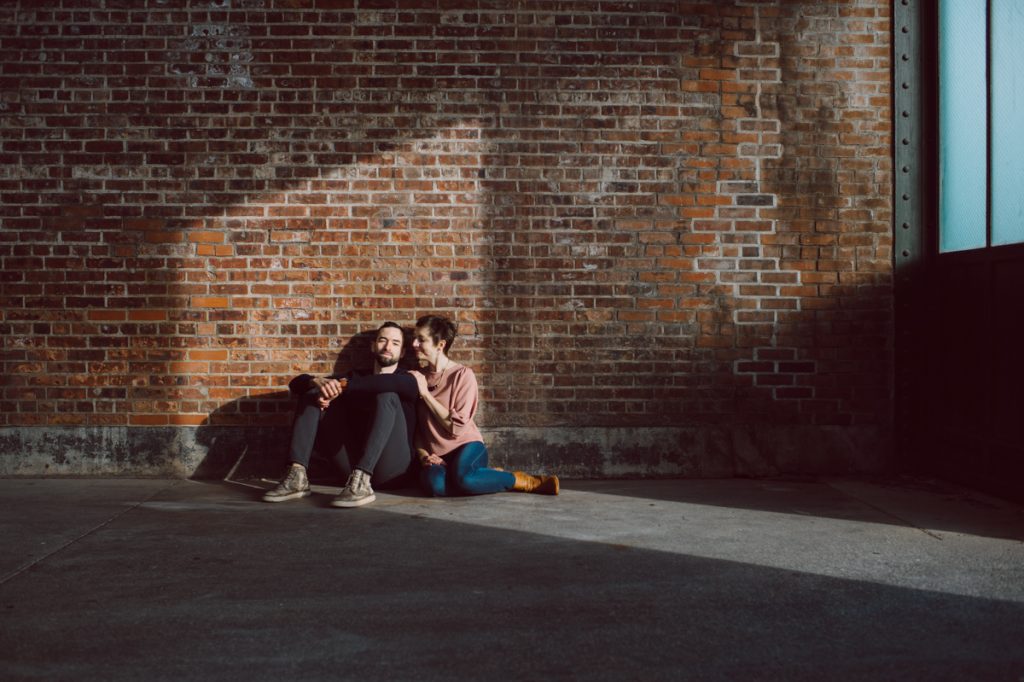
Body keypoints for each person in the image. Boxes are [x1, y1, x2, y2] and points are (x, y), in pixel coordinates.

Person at [263, 322, 419, 507]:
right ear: (372, 345)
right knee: (315, 393)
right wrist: (317, 382)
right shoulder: (356, 376)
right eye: (382, 340)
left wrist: (342, 386)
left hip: (393, 471)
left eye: (395, 343)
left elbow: (383, 383)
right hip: (351, 472)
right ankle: (297, 476)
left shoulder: (408, 379)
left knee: (387, 395)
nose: (387, 347)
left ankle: (363, 479)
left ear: (402, 352)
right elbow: (296, 384)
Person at [409, 315, 559, 497]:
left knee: (464, 480)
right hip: (436, 455)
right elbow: (417, 429)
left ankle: (522, 481)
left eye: (421, 339)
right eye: (414, 338)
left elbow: (455, 428)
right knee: (435, 487)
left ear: (440, 345)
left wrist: (425, 394)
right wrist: (424, 455)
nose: (414, 344)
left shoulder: (463, 375)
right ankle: (486, 477)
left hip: (466, 447)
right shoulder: (416, 378)